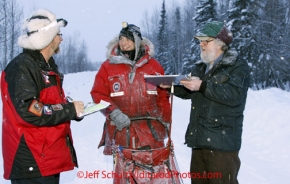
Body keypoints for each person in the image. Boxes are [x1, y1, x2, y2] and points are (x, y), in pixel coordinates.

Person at [1, 9, 84, 184]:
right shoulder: (22, 67)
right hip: (33, 161)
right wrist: (68, 110)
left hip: (46, 159)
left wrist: (72, 109)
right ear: (47, 37)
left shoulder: (45, 66)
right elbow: (30, 110)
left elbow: (48, 102)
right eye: (58, 34)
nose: (61, 39)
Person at [161, 21, 250, 184]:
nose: (201, 44)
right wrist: (170, 87)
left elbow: (235, 94)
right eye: (200, 40)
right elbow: (190, 91)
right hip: (199, 141)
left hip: (222, 145)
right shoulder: (200, 67)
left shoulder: (237, 66)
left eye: (206, 40)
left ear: (220, 43)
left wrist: (202, 85)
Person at [90, 22, 175, 183]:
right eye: (121, 38)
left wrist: (166, 121)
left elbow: (163, 97)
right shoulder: (107, 67)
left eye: (128, 39)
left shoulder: (154, 66)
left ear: (138, 41)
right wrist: (113, 112)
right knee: (125, 178)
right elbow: (98, 94)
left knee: (153, 178)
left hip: (151, 133)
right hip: (122, 131)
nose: (123, 42)